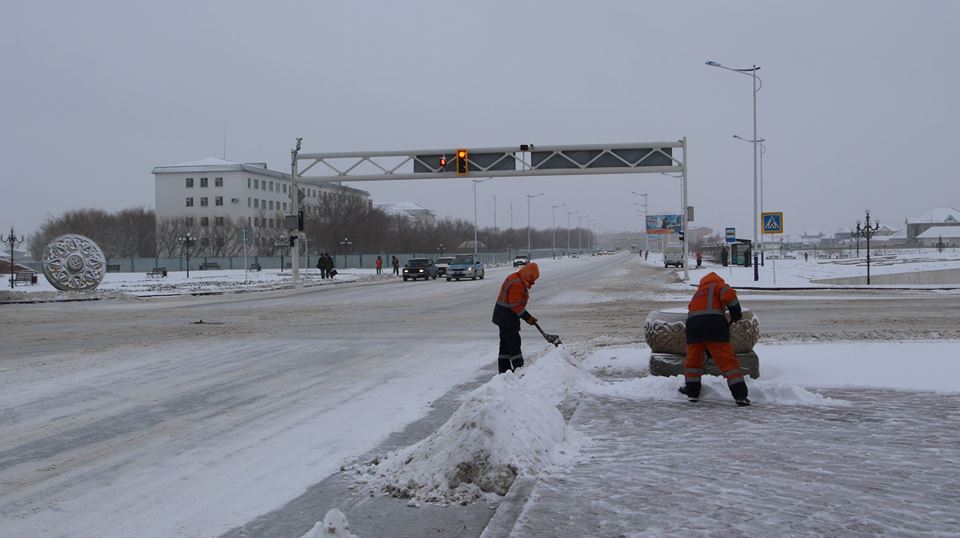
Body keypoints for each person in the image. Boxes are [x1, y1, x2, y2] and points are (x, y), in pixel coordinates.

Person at [680, 271, 750, 406]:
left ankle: (692, 393)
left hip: (693, 327)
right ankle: (740, 395)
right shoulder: (718, 285)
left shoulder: (698, 293)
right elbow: (729, 295)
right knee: (727, 362)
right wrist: (736, 313)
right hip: (714, 326)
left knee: (693, 362)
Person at [491, 262, 540, 374]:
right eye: (533, 278)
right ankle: (519, 369)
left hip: (503, 315)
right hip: (506, 316)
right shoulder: (517, 283)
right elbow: (515, 305)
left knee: (505, 343)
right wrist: (528, 317)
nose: (533, 282)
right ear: (529, 275)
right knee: (514, 342)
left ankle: (504, 371)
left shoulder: (517, 278)